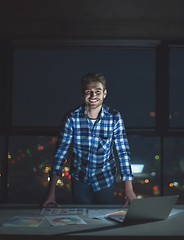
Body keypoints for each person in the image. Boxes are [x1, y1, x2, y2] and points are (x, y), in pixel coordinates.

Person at [41, 72, 137, 208]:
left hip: (106, 180)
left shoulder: (114, 117)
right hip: (80, 180)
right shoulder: (71, 118)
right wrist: (51, 192)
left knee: (104, 220)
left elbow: (123, 153)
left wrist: (129, 190)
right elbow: (60, 154)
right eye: (89, 92)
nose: (93, 96)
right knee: (83, 219)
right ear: (82, 94)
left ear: (104, 93)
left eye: (97, 92)